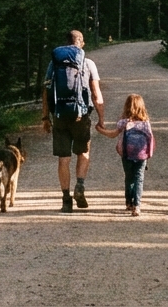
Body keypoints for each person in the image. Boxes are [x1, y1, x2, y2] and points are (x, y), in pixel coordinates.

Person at [41, 30, 105, 213]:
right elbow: (96, 94)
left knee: (64, 158)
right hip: (81, 115)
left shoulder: (54, 63)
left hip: (60, 115)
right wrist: (101, 118)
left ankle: (66, 200)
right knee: (83, 151)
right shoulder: (88, 63)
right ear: (81, 43)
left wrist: (45, 117)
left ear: (67, 42)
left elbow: (46, 91)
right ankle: (80, 185)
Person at [95, 93, 155, 216]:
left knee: (129, 177)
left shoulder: (123, 122)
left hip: (127, 154)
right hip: (142, 155)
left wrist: (100, 130)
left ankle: (129, 202)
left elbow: (113, 134)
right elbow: (151, 139)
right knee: (139, 178)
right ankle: (137, 206)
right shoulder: (146, 123)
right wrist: (148, 154)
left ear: (126, 107)